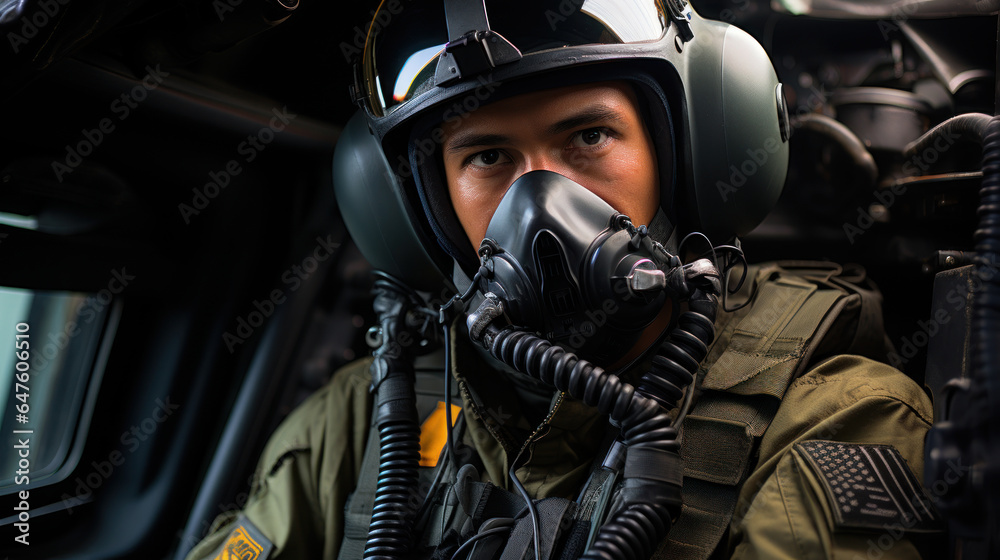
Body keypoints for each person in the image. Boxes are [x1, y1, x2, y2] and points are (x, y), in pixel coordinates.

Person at [185, 1, 941, 559]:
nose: (540, 203)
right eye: (486, 157)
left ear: (691, 157)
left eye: (589, 135)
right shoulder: (358, 426)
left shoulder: (831, 416)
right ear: (420, 211)